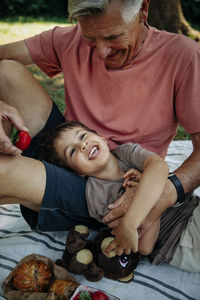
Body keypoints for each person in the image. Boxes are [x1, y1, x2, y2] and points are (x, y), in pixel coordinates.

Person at [0, 0, 200, 237]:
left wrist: (168, 190)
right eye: (90, 39)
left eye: (113, 36)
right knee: (7, 72)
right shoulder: (70, 39)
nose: (101, 52)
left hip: (112, 190)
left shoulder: (181, 55)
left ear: (143, 10)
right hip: (68, 154)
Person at [39, 120, 200, 272]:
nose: (82, 145)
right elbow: (144, 246)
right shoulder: (96, 197)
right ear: (76, 173)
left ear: (101, 138)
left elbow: (159, 166)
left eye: (82, 136)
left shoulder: (126, 153)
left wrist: (146, 184)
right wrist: (153, 199)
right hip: (182, 240)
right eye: (72, 151)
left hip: (193, 208)